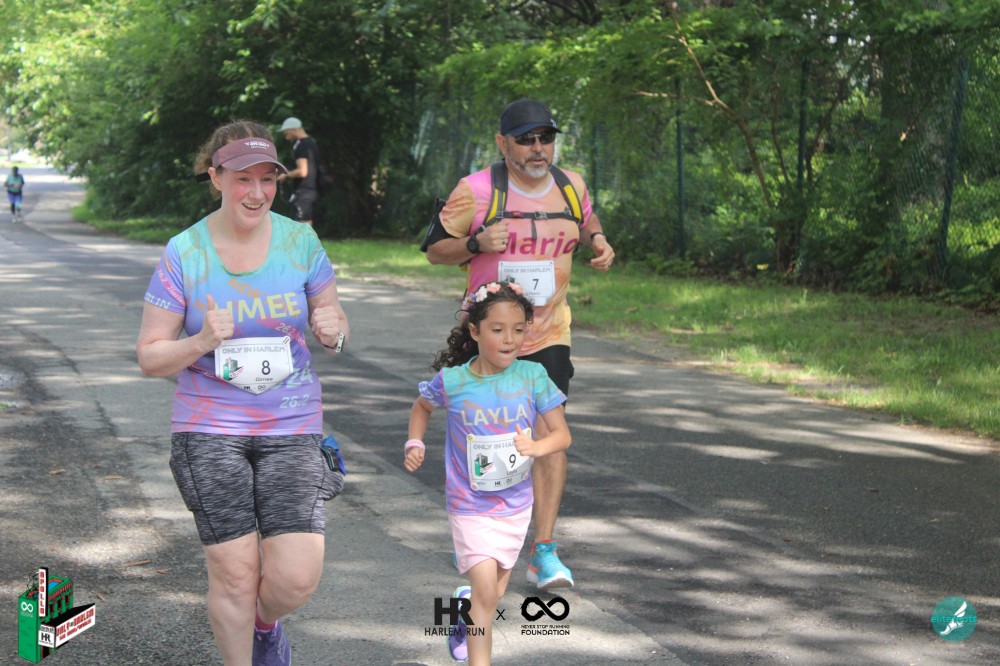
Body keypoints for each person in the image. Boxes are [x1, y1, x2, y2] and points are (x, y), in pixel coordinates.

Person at [136, 120, 349, 666]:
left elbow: (332, 316)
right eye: (242, 179)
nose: (256, 192)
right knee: (234, 573)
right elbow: (150, 356)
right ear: (216, 177)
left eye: (267, 179)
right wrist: (201, 341)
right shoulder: (185, 252)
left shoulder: (300, 242)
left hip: (292, 424)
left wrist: (333, 330)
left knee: (295, 577)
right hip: (209, 428)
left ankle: (264, 624)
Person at [423, 98, 614, 590]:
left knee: (549, 436)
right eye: (525, 139)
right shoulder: (476, 190)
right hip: (490, 333)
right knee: (485, 437)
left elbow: (586, 219)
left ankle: (543, 550)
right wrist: (475, 244)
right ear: (502, 143)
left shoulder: (571, 185)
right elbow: (434, 250)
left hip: (548, 332)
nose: (537, 148)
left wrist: (597, 241)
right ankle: (481, 543)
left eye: (545, 138)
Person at [404, 279, 571, 664]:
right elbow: (421, 407)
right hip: (469, 505)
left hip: (514, 506)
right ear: (476, 331)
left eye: (518, 330)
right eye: (498, 330)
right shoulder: (453, 381)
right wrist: (415, 442)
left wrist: (537, 447)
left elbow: (562, 435)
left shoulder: (532, 377)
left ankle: (461, 613)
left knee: (491, 597)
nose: (509, 339)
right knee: (485, 596)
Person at [277, 117, 320, 227]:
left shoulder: (301, 146)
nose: (286, 137)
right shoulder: (312, 143)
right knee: (305, 223)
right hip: (311, 190)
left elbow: (302, 171)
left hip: (303, 191)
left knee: (302, 225)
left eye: (287, 133)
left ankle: (305, 239)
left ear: (294, 129)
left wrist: (285, 175)